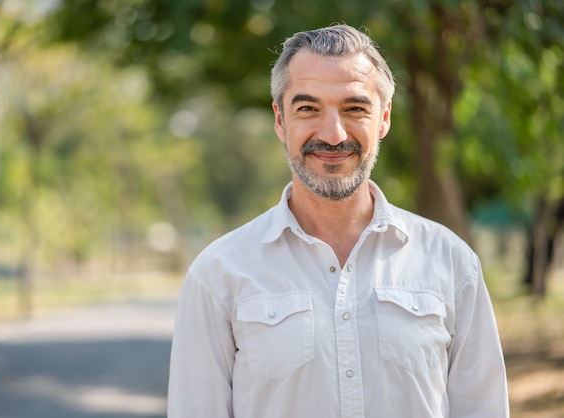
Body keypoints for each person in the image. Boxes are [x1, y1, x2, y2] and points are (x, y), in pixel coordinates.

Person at [167, 24, 509, 418]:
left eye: (355, 108)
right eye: (308, 108)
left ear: (383, 118)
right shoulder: (217, 274)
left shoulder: (452, 263)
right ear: (281, 120)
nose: (332, 135)